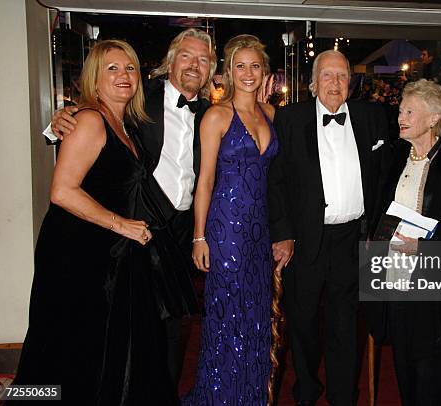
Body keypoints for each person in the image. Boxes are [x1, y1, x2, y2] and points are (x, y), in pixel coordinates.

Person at [13, 40, 195, 405]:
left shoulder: (125, 122)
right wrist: (122, 225)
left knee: (103, 346)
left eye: (129, 68)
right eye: (112, 68)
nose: (123, 75)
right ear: (94, 79)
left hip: (108, 252)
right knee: (67, 344)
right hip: (79, 252)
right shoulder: (90, 119)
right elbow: (62, 191)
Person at [48, 28, 216, 387]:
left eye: (203, 59)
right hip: (135, 227)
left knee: (168, 324)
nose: (193, 65)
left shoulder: (211, 113)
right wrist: (57, 124)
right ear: (170, 62)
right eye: (186, 55)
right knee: (126, 324)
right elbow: (89, 123)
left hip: (180, 230)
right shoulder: (142, 97)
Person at [269, 50, 388, 405]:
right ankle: (306, 388)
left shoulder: (373, 117)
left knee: (345, 326)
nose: (335, 83)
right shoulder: (290, 119)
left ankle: (342, 396)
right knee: (303, 323)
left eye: (341, 76)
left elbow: (384, 175)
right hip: (305, 241)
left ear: (350, 83)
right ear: (312, 82)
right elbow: (276, 181)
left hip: (353, 239)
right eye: (327, 76)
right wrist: (283, 233)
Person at [183, 34, 278, 405]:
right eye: (241, 66)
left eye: (255, 66)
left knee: (256, 317)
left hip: (260, 230)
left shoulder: (272, 114)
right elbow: (204, 181)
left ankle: (251, 395)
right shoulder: (217, 116)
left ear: (265, 72)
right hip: (226, 231)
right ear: (228, 72)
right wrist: (199, 236)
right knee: (228, 318)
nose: (248, 73)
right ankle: (221, 396)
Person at [368, 79, 441, 405]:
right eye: (401, 110)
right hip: (395, 271)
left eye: (410, 111)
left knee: (430, 363)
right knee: (403, 358)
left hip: (431, 275)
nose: (401, 117)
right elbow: (382, 211)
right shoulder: (395, 157)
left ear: (434, 118)